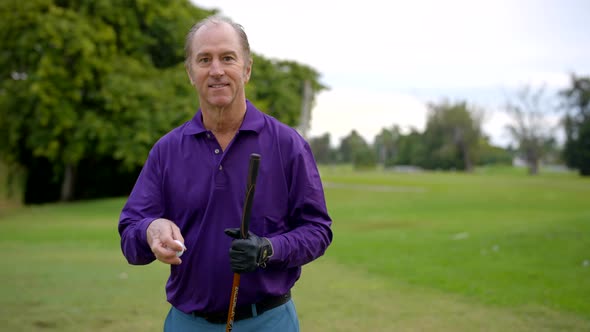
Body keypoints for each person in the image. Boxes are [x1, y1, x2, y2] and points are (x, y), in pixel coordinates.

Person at [118, 15, 333, 331]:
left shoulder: (288, 144)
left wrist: (269, 250)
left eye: (227, 58)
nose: (216, 70)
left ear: (246, 68)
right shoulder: (166, 150)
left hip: (268, 321)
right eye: (204, 59)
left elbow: (318, 230)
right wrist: (151, 229)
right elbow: (130, 234)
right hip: (188, 323)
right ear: (191, 73)